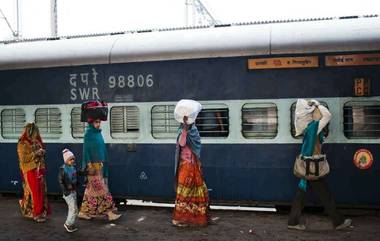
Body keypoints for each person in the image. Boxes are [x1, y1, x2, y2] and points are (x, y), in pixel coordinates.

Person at [288, 100, 352, 231]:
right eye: (316, 112)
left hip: (309, 166)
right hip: (312, 167)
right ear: (310, 115)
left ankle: (293, 222)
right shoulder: (313, 128)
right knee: (325, 195)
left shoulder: (309, 128)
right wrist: (317, 104)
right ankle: (338, 222)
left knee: (302, 195)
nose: (318, 114)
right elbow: (327, 115)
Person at [78, 119, 121, 221]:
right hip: (93, 168)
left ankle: (82, 212)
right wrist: (90, 166)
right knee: (103, 190)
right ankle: (110, 213)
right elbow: (86, 151)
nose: (98, 124)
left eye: (99, 122)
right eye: (96, 122)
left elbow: (102, 149)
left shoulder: (98, 134)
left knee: (90, 191)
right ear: (91, 123)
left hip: (100, 167)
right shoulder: (88, 134)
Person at [172, 115, 210, 227]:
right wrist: (184, 129)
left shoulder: (194, 131)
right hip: (185, 166)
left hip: (194, 166)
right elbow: (182, 143)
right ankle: (179, 219)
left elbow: (197, 145)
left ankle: (194, 218)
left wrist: (187, 129)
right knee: (184, 193)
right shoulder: (182, 131)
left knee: (200, 192)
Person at [17, 123, 50, 222]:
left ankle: (28, 208)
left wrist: (42, 152)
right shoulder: (22, 143)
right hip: (30, 170)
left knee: (40, 191)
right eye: (36, 132)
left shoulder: (36, 141)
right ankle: (37, 213)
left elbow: (41, 151)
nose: (37, 134)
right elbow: (23, 159)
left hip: (39, 168)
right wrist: (36, 153)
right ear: (30, 132)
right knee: (35, 191)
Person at [58, 149, 79, 233]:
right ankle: (68, 224)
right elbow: (60, 181)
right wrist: (65, 191)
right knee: (73, 208)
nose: (73, 160)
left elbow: (76, 173)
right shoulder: (63, 169)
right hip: (68, 192)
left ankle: (71, 223)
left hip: (73, 190)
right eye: (70, 159)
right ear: (66, 160)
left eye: (73, 159)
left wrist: (84, 172)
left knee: (75, 209)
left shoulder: (72, 167)